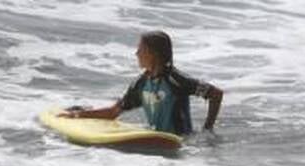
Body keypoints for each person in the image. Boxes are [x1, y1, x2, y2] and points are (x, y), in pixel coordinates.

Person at [61, 31, 222, 135]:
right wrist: (79, 115)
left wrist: (208, 129)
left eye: (140, 49)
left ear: (153, 54)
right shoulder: (141, 83)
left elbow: (215, 93)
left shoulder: (176, 80)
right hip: (159, 140)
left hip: (182, 144)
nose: (136, 53)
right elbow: (114, 112)